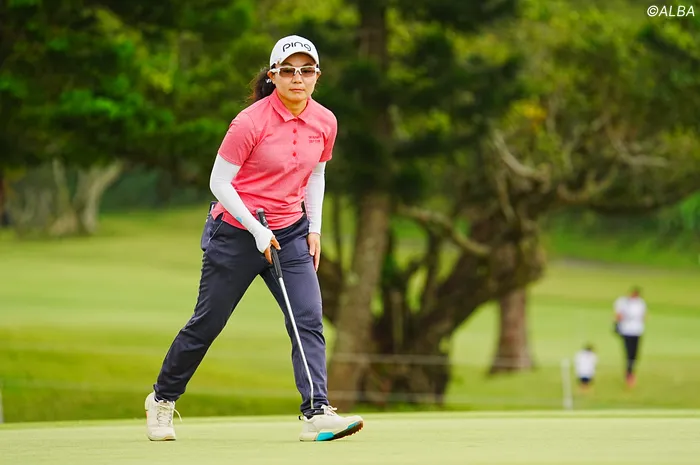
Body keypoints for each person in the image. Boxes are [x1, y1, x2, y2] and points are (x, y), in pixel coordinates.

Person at [144, 35, 364, 442]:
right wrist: (257, 229)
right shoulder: (249, 122)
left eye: (307, 70)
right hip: (236, 234)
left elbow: (316, 174)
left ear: (317, 76)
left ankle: (316, 412)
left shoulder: (325, 121)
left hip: (291, 234)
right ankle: (162, 398)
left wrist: (313, 228)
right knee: (208, 323)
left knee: (307, 319)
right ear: (273, 75)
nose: (298, 78)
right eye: (288, 70)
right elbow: (219, 182)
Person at [613, 286, 647, 387]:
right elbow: (618, 315)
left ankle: (630, 372)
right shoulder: (623, 302)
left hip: (637, 331)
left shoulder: (641, 303)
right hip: (626, 330)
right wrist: (617, 324)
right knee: (629, 352)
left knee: (635, 353)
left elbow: (644, 316)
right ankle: (629, 374)